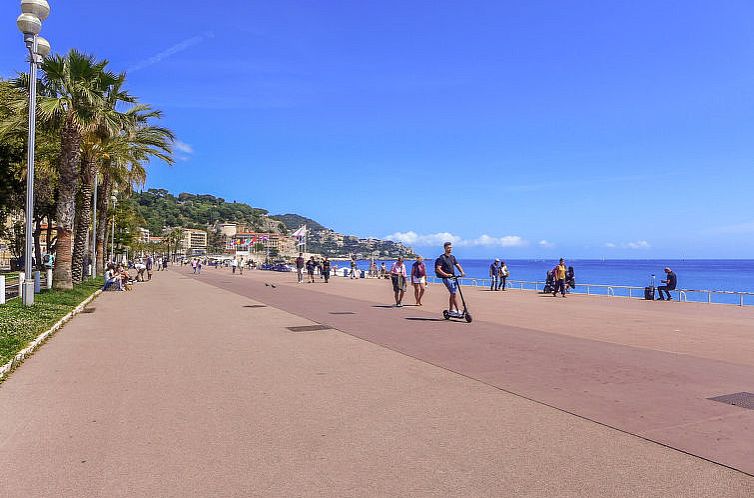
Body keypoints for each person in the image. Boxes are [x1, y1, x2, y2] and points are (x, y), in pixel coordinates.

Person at [434, 242, 465, 316]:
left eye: (451, 247)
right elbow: (438, 269)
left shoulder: (452, 257)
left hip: (453, 278)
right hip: (446, 278)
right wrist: (446, 275)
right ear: (445, 248)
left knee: (453, 294)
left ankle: (451, 310)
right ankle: (457, 310)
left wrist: (462, 272)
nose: (450, 249)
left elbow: (457, 265)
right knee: (453, 293)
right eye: (448, 247)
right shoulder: (441, 258)